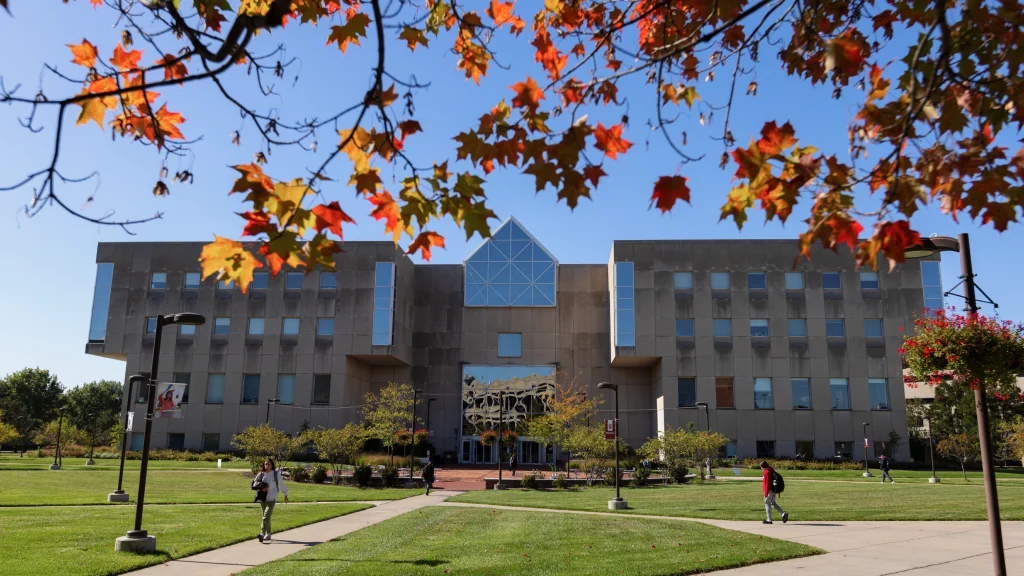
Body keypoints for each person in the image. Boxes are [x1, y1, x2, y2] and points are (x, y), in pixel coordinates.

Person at [255, 459, 288, 543]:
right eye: (265, 464)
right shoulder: (261, 474)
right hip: (263, 498)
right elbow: (254, 484)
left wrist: (285, 494)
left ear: (272, 465)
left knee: (266, 516)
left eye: (268, 464)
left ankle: (262, 534)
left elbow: (281, 484)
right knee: (266, 516)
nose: (267, 466)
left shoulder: (275, 474)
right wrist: (262, 487)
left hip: (272, 498)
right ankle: (268, 534)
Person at [760, 460, 788, 525]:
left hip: (769, 490)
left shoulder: (766, 472)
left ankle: (769, 519)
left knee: (767, 503)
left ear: (762, 466)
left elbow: (767, 483)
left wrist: (766, 493)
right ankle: (783, 514)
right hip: (773, 490)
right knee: (773, 503)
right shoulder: (771, 470)